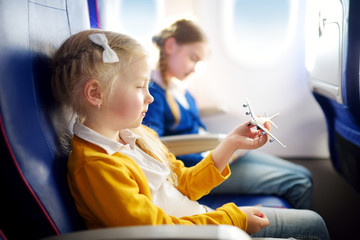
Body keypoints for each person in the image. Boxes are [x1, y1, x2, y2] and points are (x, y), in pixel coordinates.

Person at [51, 29, 330, 239]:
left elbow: (182, 183)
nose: (150, 98)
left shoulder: (135, 136)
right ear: (96, 94)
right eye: (139, 87)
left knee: (312, 222)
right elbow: (155, 229)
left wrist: (230, 144)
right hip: (197, 232)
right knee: (313, 226)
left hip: (203, 223)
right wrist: (232, 219)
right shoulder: (96, 166)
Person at [143, 19, 313, 210]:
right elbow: (153, 145)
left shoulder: (180, 89)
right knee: (299, 182)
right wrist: (222, 147)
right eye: (193, 58)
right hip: (200, 166)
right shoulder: (153, 94)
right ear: (171, 45)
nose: (194, 67)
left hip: (215, 155)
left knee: (303, 174)